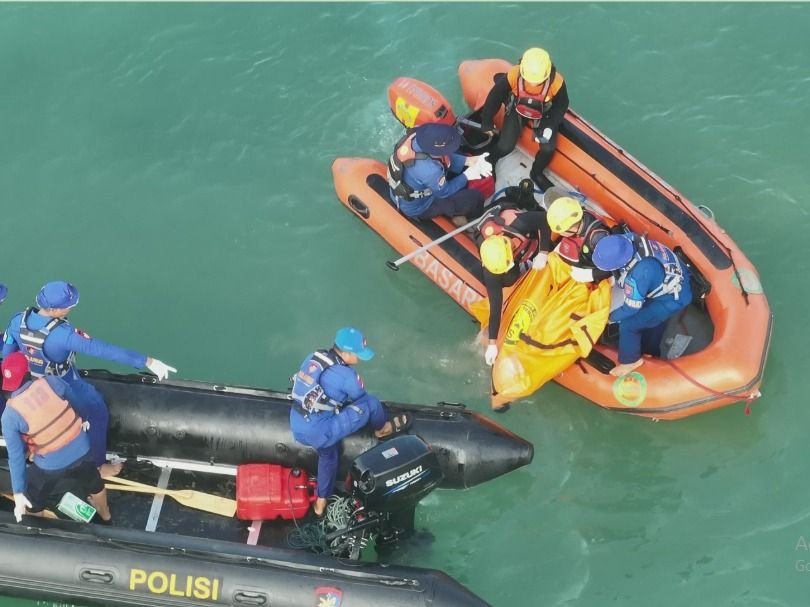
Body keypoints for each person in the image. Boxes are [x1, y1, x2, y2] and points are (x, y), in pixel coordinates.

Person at [2, 281, 176, 474]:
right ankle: (99, 465)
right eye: (69, 306)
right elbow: (102, 350)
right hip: (63, 383)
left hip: (28, 384)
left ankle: (28, 452)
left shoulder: (17, 321)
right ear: (55, 310)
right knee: (97, 410)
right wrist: (147, 361)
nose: (71, 308)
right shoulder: (64, 335)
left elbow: (8, 356)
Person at [289, 328, 410, 517]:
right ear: (345, 353)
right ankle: (383, 429)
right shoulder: (348, 376)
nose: (360, 359)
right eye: (357, 354)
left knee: (328, 454)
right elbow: (360, 398)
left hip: (297, 423)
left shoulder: (316, 356)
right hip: (321, 430)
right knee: (371, 403)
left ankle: (320, 504)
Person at [1, 351, 113, 524]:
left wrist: (18, 493)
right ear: (28, 371)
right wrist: (81, 421)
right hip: (81, 448)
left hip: (50, 465)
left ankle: (36, 526)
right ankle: (106, 517)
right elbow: (80, 406)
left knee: (33, 499)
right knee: (94, 482)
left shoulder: (9, 415)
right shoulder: (52, 382)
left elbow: (15, 458)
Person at [592, 234, 693, 376]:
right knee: (653, 320)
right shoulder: (630, 239)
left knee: (628, 325)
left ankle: (630, 361)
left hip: (671, 299)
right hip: (675, 278)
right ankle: (651, 351)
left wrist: (609, 318)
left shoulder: (640, 274)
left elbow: (631, 308)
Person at [479, 47, 569, 186]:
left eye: (537, 81)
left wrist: (552, 123)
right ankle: (491, 160)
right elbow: (494, 97)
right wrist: (487, 122)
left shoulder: (557, 82)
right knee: (505, 146)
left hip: (543, 113)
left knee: (548, 148)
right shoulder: (513, 75)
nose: (532, 83)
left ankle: (536, 173)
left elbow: (562, 104)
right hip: (517, 109)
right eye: (530, 79)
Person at [478, 201, 553, 365]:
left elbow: (544, 219)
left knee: (549, 246)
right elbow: (496, 306)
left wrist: (544, 251)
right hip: (512, 253)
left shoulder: (519, 224)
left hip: (526, 232)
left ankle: (535, 255)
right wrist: (492, 343)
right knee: (508, 279)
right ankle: (526, 265)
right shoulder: (491, 263)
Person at [388, 122, 492, 222]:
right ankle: (471, 219)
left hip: (416, 182)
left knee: (457, 155)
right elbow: (444, 192)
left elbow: (443, 156)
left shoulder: (418, 136)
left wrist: (471, 160)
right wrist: (468, 175)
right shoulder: (430, 170)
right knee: (475, 198)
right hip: (421, 205)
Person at [545, 191, 613, 283]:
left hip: (591, 268)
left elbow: (614, 264)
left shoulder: (598, 238)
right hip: (579, 260)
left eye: (561, 232)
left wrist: (591, 275)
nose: (560, 234)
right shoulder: (579, 215)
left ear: (572, 228)